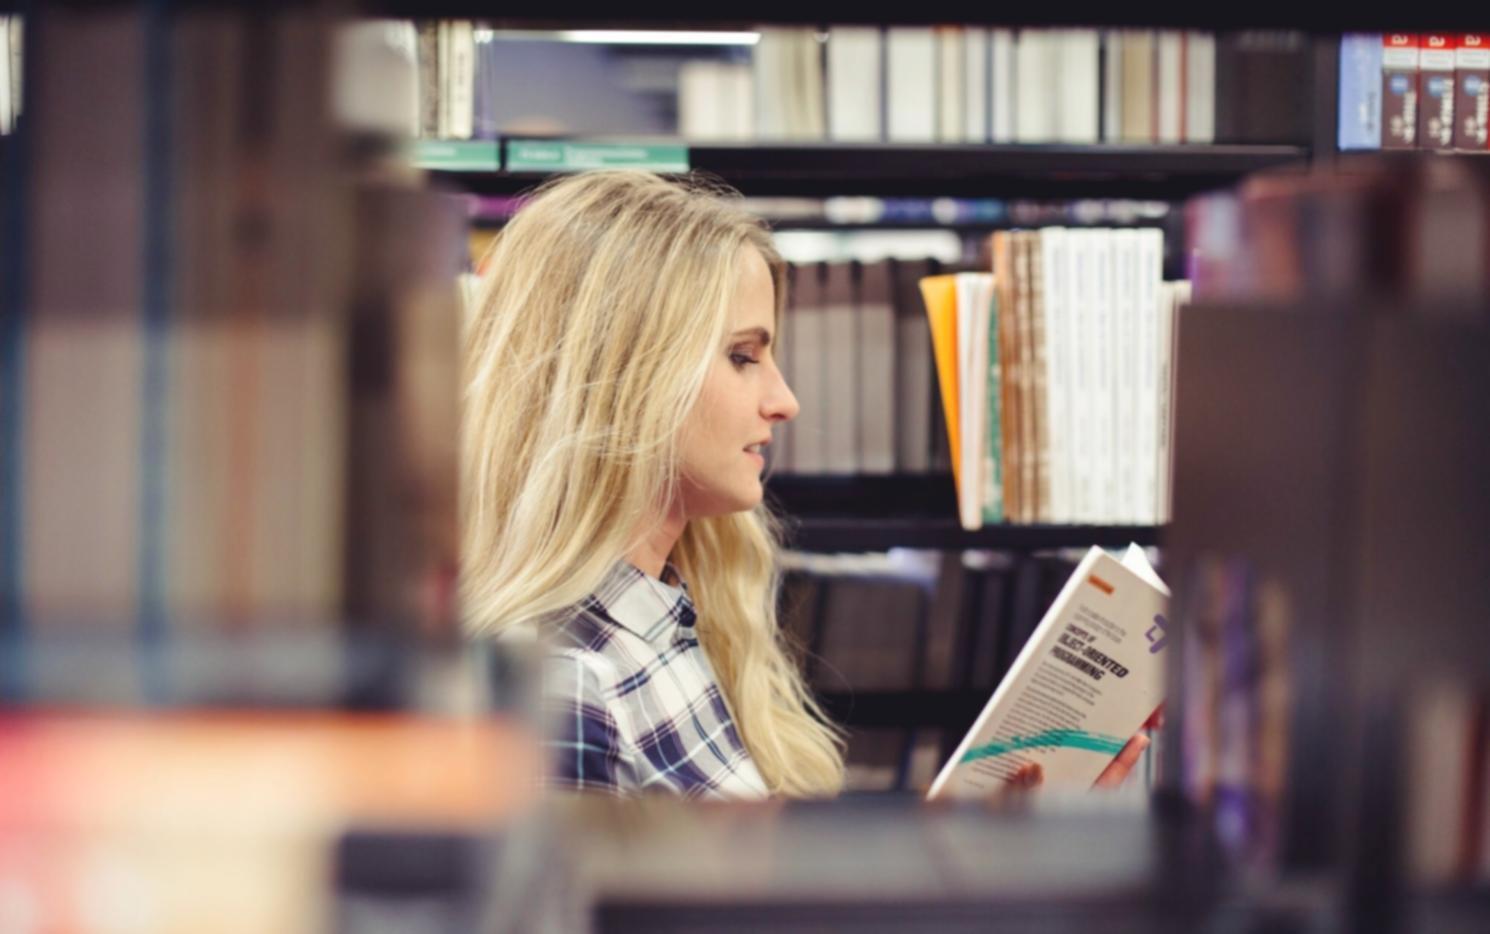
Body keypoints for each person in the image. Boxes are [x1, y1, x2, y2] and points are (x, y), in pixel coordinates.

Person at [460, 170, 1149, 799]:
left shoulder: (671, 612)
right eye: (742, 356)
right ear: (623, 376)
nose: (785, 400)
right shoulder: (561, 685)